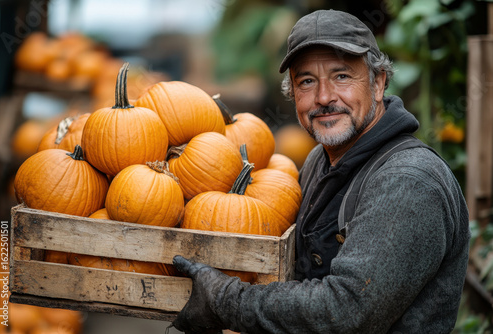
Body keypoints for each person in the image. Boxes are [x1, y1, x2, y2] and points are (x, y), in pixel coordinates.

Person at [169, 9, 470, 334]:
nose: (324, 98)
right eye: (307, 81)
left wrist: (225, 301)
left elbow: (344, 312)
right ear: (293, 93)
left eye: (342, 76)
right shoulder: (318, 159)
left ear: (379, 83)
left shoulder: (408, 180)